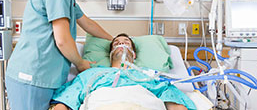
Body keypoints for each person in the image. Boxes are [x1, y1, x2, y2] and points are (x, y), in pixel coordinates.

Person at [5, 0, 113, 110]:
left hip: (42, 77)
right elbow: (62, 40)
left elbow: (86, 22)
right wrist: (80, 63)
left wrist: (113, 40)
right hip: (31, 75)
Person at [50, 33, 196, 110]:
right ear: (110, 52)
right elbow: (65, 103)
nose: (121, 45)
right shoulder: (91, 74)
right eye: (117, 43)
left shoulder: (149, 76)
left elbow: (175, 104)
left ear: (134, 54)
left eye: (126, 43)